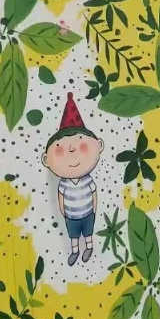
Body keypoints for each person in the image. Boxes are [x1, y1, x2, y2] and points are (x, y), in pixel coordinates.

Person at [42, 93, 104, 265]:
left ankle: (89, 247)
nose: (71, 151)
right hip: (71, 216)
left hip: (87, 213)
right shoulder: (63, 184)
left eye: (80, 144)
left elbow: (94, 194)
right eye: (60, 148)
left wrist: (94, 209)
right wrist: (63, 212)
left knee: (88, 233)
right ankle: (75, 252)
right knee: (74, 235)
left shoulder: (87, 180)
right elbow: (60, 198)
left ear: (98, 145)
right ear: (46, 160)